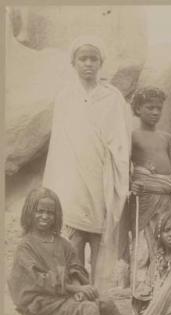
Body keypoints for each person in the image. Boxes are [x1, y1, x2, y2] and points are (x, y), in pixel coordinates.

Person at [8, 188, 126, 315]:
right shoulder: (25, 247)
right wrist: (73, 290)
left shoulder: (63, 244)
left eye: (50, 212)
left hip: (63, 297)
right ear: (30, 213)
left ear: (57, 216)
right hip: (40, 304)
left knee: (104, 303)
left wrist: (80, 288)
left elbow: (76, 268)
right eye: (40, 211)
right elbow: (39, 280)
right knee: (88, 309)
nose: (45, 216)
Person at [43, 35, 131, 290]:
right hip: (72, 179)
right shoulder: (65, 97)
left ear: (101, 62)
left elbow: (121, 140)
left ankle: (100, 298)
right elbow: (58, 144)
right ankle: (78, 298)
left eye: (93, 59)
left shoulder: (112, 97)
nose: (88, 64)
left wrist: (117, 173)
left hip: (102, 175)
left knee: (102, 237)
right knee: (74, 239)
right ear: (73, 62)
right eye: (83, 58)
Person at [129, 87, 171, 314]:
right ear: (138, 108)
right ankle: (142, 297)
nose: (155, 112)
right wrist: (132, 182)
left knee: (167, 241)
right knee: (145, 248)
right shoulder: (132, 135)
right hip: (146, 197)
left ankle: (163, 294)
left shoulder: (166, 137)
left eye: (159, 108)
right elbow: (124, 166)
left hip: (167, 197)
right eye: (150, 107)